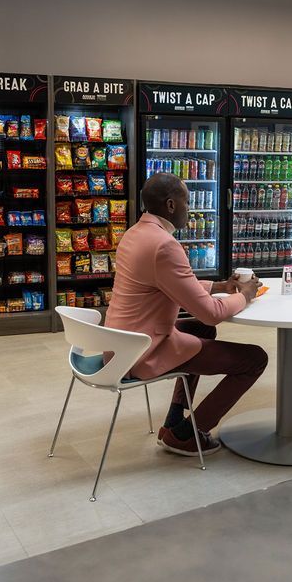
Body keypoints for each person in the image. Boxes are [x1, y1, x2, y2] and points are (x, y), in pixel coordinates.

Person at [105, 173, 266, 457]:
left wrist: (219, 286)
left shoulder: (135, 233)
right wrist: (245, 295)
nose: (189, 209)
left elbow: (169, 283)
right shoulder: (165, 245)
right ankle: (188, 436)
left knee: (201, 333)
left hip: (119, 343)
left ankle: (174, 421)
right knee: (254, 359)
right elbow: (211, 313)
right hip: (141, 351)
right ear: (170, 205)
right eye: (187, 202)